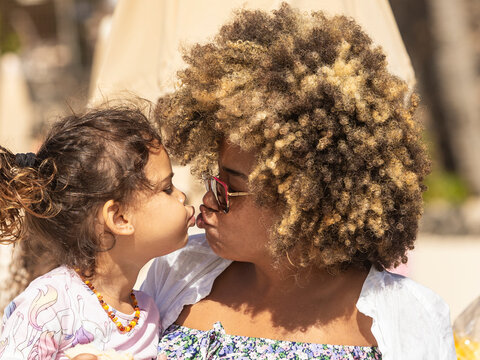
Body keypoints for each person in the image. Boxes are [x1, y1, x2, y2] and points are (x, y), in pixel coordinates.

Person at [141, 4, 456, 359]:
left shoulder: (407, 316)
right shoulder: (177, 272)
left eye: (228, 188)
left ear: (304, 203)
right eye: (212, 179)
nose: (206, 202)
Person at [0, 107, 196, 359]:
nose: (182, 196)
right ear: (119, 218)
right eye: (167, 188)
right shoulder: (49, 304)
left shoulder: (147, 310)